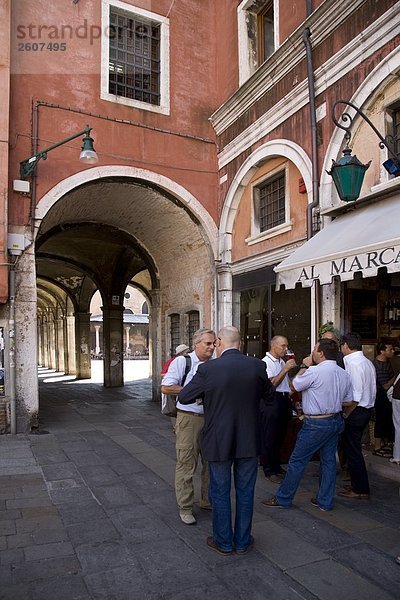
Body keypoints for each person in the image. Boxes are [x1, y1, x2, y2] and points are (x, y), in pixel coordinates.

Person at [178, 326, 274, 555]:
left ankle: (223, 541)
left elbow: (184, 396)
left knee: (219, 491)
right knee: (246, 490)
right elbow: (269, 396)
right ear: (239, 343)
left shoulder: (208, 369)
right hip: (249, 440)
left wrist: (209, 394)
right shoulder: (257, 366)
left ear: (220, 341)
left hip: (218, 439)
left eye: (216, 342)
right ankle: (242, 541)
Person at [261, 338, 352, 511]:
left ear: (321, 354)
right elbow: (348, 399)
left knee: (297, 461)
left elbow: (294, 385)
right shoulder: (343, 373)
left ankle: (284, 497)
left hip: (316, 423)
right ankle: (325, 501)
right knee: (328, 462)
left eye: (315, 350)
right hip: (335, 419)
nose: (312, 353)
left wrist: (303, 366)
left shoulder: (314, 371)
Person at [161, 328, 216, 525]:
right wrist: (193, 391)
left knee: (211, 463)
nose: (212, 347)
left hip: (211, 418)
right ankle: (185, 507)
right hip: (189, 417)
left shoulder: (214, 364)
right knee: (186, 463)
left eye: (214, 343)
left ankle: (207, 500)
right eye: (207, 343)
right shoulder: (183, 362)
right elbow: (166, 387)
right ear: (196, 344)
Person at [338, 332, 376, 499]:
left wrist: (346, 415)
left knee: (353, 451)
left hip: (356, 411)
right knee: (352, 450)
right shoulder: (366, 362)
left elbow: (355, 397)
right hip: (365, 410)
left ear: (346, 345)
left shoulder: (354, 364)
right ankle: (356, 484)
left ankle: (360, 489)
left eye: (342, 346)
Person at [260, 336, 297, 482]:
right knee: (269, 435)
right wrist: (286, 369)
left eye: (286, 346)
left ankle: (276, 465)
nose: (285, 349)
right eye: (282, 346)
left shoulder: (282, 361)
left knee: (280, 435)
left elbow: (286, 383)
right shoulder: (265, 362)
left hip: (283, 399)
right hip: (271, 400)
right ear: (273, 346)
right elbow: (271, 385)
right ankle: (269, 469)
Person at [372, 342, 395, 457]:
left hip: (387, 396)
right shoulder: (378, 365)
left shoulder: (387, 363)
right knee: (381, 420)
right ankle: (377, 446)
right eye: (390, 349)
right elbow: (385, 385)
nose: (393, 352)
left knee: (387, 420)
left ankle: (385, 443)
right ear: (382, 351)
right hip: (380, 396)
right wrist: (395, 379)